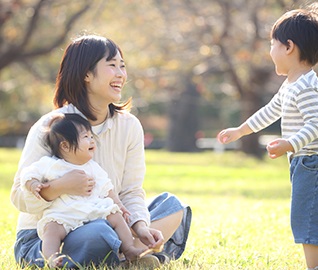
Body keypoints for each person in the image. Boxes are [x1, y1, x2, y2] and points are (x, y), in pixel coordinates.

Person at [11, 34, 191, 268]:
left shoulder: (129, 126)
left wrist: (140, 226)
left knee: (171, 206)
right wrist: (58, 187)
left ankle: (126, 252)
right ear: (86, 74)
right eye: (112, 66)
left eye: (123, 67)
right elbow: (18, 196)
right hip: (50, 235)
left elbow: (131, 191)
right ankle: (125, 256)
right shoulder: (53, 127)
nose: (121, 74)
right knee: (97, 233)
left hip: (109, 218)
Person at [217, 3, 318, 270]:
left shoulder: (306, 86)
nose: (270, 51)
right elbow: (270, 112)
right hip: (310, 162)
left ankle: (317, 268)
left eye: (272, 44)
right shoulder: (292, 84)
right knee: (312, 220)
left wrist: (289, 144)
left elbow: (315, 124)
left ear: (288, 47)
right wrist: (241, 130)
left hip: (316, 162)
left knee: (308, 220)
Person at [20, 113, 145, 267]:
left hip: (92, 211)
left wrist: (119, 205)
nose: (92, 140)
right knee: (51, 230)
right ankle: (52, 258)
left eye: (91, 136)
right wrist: (33, 184)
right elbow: (28, 174)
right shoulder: (50, 164)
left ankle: (129, 249)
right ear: (65, 146)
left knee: (116, 216)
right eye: (86, 136)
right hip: (64, 213)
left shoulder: (93, 167)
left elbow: (107, 189)